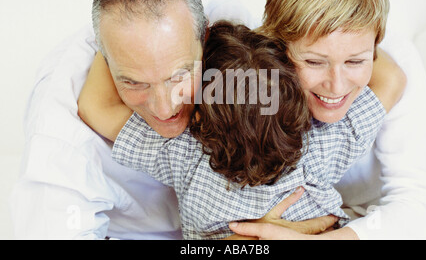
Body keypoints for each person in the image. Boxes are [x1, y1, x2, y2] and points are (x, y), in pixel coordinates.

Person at [10, 0, 335, 239]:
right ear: (104, 60)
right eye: (133, 82)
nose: (164, 109)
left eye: (178, 75)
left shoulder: (229, 38)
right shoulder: (58, 149)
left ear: (205, 39)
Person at [77, 20, 404, 239]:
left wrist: (122, 46)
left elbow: (95, 105)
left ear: (199, 118)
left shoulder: (181, 151)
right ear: (296, 102)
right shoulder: (322, 143)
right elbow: (391, 77)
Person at [228, 0, 426, 240]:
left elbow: (416, 206)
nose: (337, 86)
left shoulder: (399, 64)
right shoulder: (255, 79)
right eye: (314, 62)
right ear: (276, 46)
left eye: (355, 61)